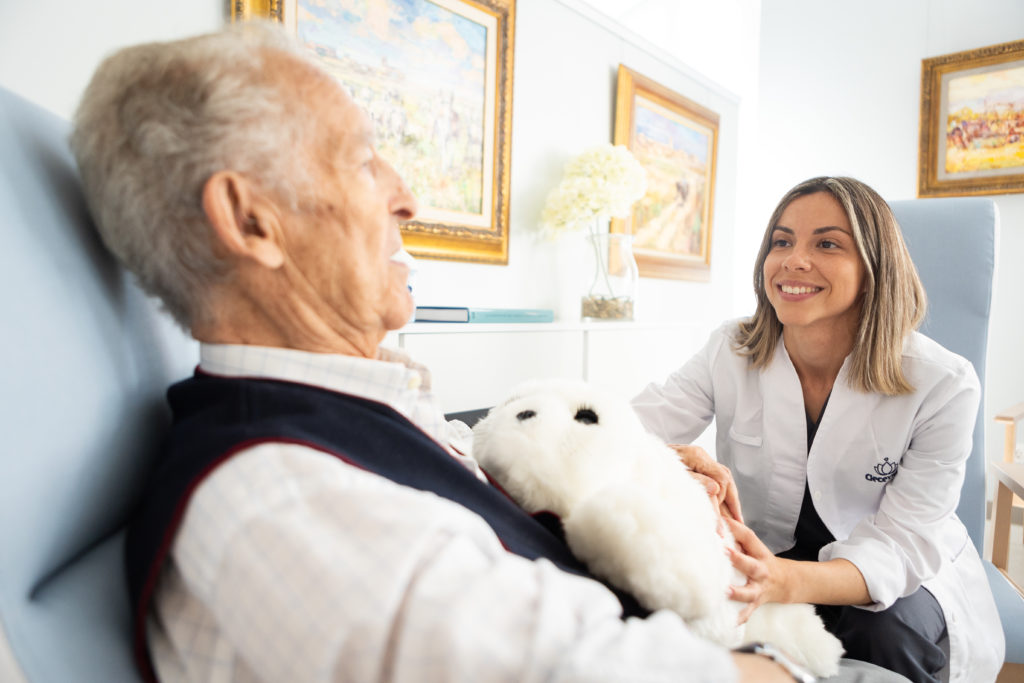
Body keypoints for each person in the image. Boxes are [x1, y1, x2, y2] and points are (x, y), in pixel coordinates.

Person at [69, 24, 908, 683]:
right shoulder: (276, 499)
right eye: (364, 160)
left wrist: (645, 466)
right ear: (251, 221)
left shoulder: (360, 413)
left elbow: (482, 469)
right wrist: (780, 665)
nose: (406, 194)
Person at [632, 176, 1005, 683]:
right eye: (781, 241)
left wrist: (783, 580)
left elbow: (900, 546)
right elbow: (634, 429)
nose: (794, 260)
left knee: (885, 636)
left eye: (826, 244)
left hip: (892, 573)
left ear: (875, 270)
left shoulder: (942, 383)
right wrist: (675, 467)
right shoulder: (731, 349)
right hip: (768, 552)